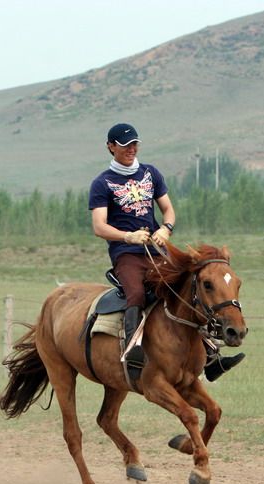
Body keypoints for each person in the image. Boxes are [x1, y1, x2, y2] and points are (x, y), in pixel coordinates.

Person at [88, 123, 244, 381]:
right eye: (126, 145)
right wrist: (128, 236)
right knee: (136, 293)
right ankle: (133, 350)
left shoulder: (151, 173)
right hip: (126, 254)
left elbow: (168, 210)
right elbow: (99, 226)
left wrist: (166, 229)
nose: (132, 149)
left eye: (135, 144)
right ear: (111, 147)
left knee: (188, 290)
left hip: (157, 249)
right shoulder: (102, 183)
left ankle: (211, 356)